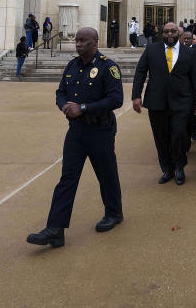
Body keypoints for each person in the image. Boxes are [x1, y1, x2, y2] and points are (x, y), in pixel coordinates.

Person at [26, 27, 124, 248]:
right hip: (76, 132)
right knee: (67, 179)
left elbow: (116, 100)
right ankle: (55, 229)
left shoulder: (107, 67)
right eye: (77, 41)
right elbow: (60, 92)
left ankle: (114, 213)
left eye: (83, 41)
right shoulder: (72, 65)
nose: (78, 44)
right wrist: (64, 107)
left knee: (106, 175)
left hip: (101, 131)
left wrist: (83, 107)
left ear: (95, 42)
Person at [132, 21, 196, 186]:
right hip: (157, 101)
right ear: (162, 33)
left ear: (178, 33)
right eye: (166, 32)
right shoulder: (151, 50)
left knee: (178, 135)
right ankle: (167, 169)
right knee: (161, 137)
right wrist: (136, 96)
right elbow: (140, 72)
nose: (170, 34)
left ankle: (179, 167)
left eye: (173, 31)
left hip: (181, 101)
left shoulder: (189, 53)